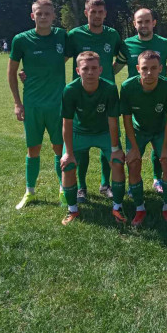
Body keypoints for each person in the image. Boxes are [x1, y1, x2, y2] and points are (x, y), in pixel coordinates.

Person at [65, 0, 127, 203]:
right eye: (93, 12)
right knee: (81, 147)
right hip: (81, 96)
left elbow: (124, 55)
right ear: (86, 13)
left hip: (106, 95)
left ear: (105, 13)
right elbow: (59, 59)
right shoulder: (75, 35)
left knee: (108, 137)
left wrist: (110, 71)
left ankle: (105, 184)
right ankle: (81, 187)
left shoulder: (112, 35)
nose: (97, 15)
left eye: (101, 12)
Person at [8, 0, 68, 210]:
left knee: (59, 148)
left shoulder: (62, 36)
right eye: (39, 13)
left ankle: (63, 190)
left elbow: (66, 56)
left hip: (58, 103)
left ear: (53, 16)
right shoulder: (21, 40)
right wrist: (17, 103)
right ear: (32, 16)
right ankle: (30, 192)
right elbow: (11, 72)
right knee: (33, 148)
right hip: (32, 103)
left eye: (47, 13)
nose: (43, 17)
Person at [115, 8, 167, 196]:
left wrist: (162, 73)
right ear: (134, 24)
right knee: (136, 146)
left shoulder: (164, 43)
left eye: (147, 21)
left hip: (159, 96)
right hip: (136, 98)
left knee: (159, 137)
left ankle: (157, 179)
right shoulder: (127, 45)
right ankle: (134, 183)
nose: (143, 25)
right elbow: (116, 67)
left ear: (153, 23)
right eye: (140, 22)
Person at [58, 51, 126, 225]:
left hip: (103, 132)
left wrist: (115, 149)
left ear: (100, 70)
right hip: (79, 132)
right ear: (78, 71)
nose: (90, 72)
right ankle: (72, 210)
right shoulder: (70, 90)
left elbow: (113, 121)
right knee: (68, 165)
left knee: (117, 162)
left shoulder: (110, 88)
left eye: (94, 68)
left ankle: (117, 207)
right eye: (85, 68)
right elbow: (66, 123)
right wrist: (68, 153)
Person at [119, 50, 167, 226]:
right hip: (138, 131)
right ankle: (140, 208)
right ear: (138, 68)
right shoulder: (128, 87)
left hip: (161, 130)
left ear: (160, 68)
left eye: (154, 68)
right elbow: (127, 119)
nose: (149, 72)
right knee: (133, 163)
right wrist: (133, 148)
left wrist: (166, 147)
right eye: (144, 68)